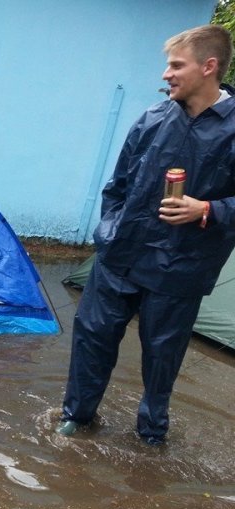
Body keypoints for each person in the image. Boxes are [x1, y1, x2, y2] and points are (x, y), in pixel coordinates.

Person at [56, 25, 235, 445]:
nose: (165, 74)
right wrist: (109, 232)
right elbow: (117, 185)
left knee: (162, 356)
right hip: (121, 255)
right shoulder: (154, 117)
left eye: (176, 65)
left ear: (208, 67)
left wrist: (207, 208)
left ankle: (150, 435)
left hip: (181, 267)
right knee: (92, 338)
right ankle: (77, 417)